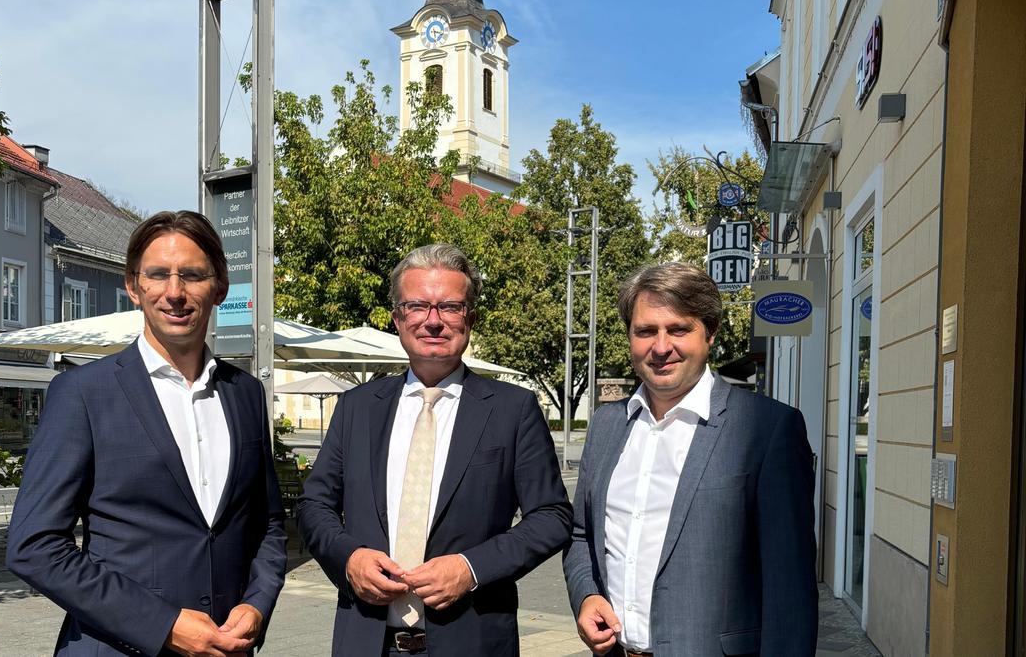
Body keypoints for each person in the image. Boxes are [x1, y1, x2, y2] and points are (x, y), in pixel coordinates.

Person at [6, 210, 286, 657]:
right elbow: (34, 546)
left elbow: (268, 523)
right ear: (134, 288)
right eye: (158, 275)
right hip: (117, 648)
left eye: (192, 275)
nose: (175, 293)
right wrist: (163, 624)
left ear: (219, 289)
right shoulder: (82, 393)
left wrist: (257, 603)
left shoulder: (246, 393)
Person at [298, 244, 573, 657]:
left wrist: (471, 568)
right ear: (397, 319)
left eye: (450, 306)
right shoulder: (356, 407)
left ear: (470, 319)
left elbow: (552, 517)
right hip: (367, 641)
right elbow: (313, 505)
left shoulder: (512, 409)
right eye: (417, 306)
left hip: (472, 640)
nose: (433, 321)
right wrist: (349, 558)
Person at [563, 262, 817, 657]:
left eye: (678, 329)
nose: (661, 347)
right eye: (645, 331)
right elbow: (581, 534)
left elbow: (790, 590)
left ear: (710, 333)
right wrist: (585, 595)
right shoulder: (607, 425)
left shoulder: (768, 430)